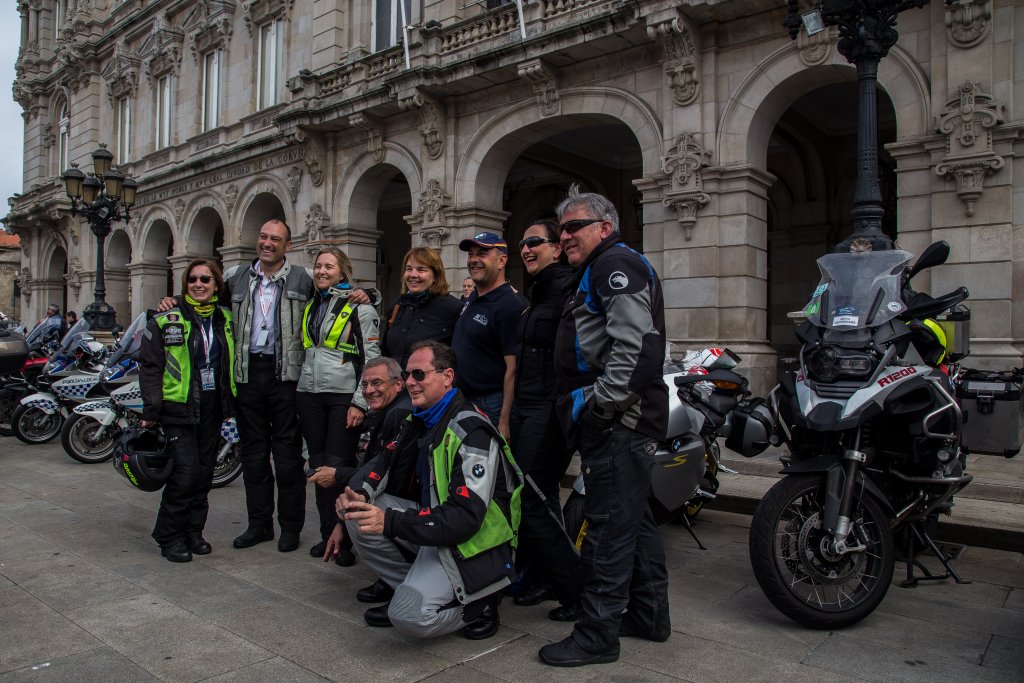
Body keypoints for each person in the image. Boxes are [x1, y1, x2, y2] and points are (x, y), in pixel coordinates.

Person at [539, 185, 670, 667]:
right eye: (562, 228)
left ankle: (597, 634)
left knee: (609, 529)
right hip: (620, 419)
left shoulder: (614, 264)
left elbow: (636, 349)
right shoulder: (600, 266)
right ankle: (649, 615)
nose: (565, 235)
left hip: (620, 421)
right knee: (634, 523)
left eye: (575, 226)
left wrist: (601, 409)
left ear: (604, 227)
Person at [337, 341, 522, 640]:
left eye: (419, 374)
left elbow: (464, 519)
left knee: (408, 619)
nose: (410, 382)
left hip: (472, 544)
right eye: (409, 375)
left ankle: (480, 604)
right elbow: (386, 458)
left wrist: (391, 521)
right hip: (438, 527)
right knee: (357, 512)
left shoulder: (471, 431)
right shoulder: (420, 418)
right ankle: (405, 590)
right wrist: (358, 491)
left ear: (447, 377)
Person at [509, 219, 583, 621]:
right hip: (525, 405)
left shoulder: (567, 287)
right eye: (522, 242)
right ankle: (544, 577)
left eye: (534, 241)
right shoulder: (539, 291)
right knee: (542, 497)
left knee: (533, 501)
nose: (525, 248)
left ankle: (576, 590)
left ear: (557, 248)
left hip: (548, 409)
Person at [138, 258, 236, 563]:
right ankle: (169, 536)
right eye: (193, 279)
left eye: (206, 279)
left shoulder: (226, 318)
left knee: (205, 474)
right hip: (177, 408)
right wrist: (151, 410)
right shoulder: (165, 319)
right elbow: (149, 367)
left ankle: (194, 532)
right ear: (185, 285)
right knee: (185, 473)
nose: (199, 284)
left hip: (212, 407)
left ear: (216, 285)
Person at [297, 247, 380, 566]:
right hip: (309, 393)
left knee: (339, 466)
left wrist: (361, 402)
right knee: (318, 468)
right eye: (318, 266)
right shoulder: (310, 303)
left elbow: (372, 360)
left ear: (342, 272)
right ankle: (325, 535)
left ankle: (344, 538)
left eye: (328, 266)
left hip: (344, 397)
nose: (321, 271)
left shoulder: (360, 307)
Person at [322, 356, 412, 603]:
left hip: (415, 511)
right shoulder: (388, 411)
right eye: (365, 385)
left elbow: (388, 476)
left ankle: (406, 586)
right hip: (401, 505)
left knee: (358, 511)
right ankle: (391, 579)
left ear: (398, 384)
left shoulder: (400, 414)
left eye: (377, 383)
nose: (369, 390)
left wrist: (337, 475)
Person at [450, 232, 526, 438]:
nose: (473, 260)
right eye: (471, 254)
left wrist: (504, 421)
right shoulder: (473, 296)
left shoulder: (510, 305)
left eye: (482, 253)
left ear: (501, 260)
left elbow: (513, 369)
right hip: (463, 398)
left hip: (491, 404)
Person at [380, 247, 462, 368]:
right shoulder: (398, 304)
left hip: (429, 384)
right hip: (395, 383)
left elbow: (459, 356)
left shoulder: (452, 307)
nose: (413, 275)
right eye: (409, 269)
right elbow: (386, 351)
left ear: (436, 275)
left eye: (421, 270)